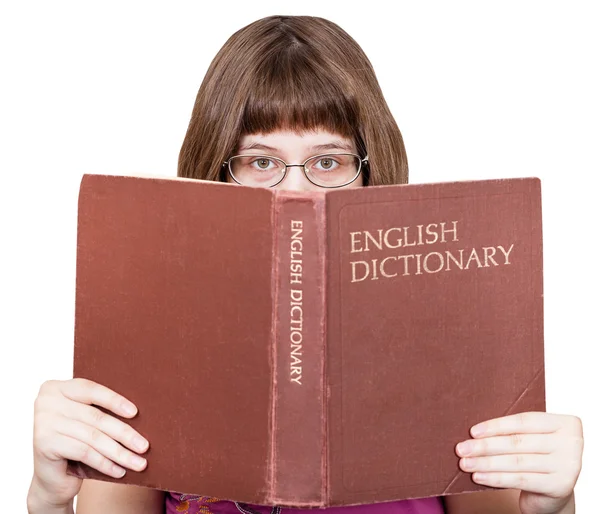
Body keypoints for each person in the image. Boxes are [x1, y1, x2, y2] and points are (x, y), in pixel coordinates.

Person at [27, 15, 583, 514]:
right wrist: (48, 501)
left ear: (369, 170)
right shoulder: (153, 329)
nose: (294, 189)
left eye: (328, 160)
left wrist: (552, 508)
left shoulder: (452, 329)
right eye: (260, 160)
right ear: (216, 172)